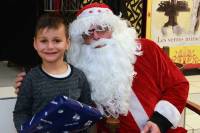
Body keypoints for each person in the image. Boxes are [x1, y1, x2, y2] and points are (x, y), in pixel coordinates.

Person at [15, 3, 189, 133]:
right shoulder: (79, 67)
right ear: (80, 39)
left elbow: (178, 85)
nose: (96, 36)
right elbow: (61, 93)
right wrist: (27, 83)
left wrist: (159, 122)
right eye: (89, 33)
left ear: (114, 29)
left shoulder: (146, 49)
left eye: (102, 29)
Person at [13, 13, 92, 132]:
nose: (50, 46)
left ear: (67, 43)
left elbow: (86, 113)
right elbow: (20, 112)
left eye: (57, 40)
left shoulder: (79, 77)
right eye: (44, 41)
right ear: (35, 43)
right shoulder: (30, 78)